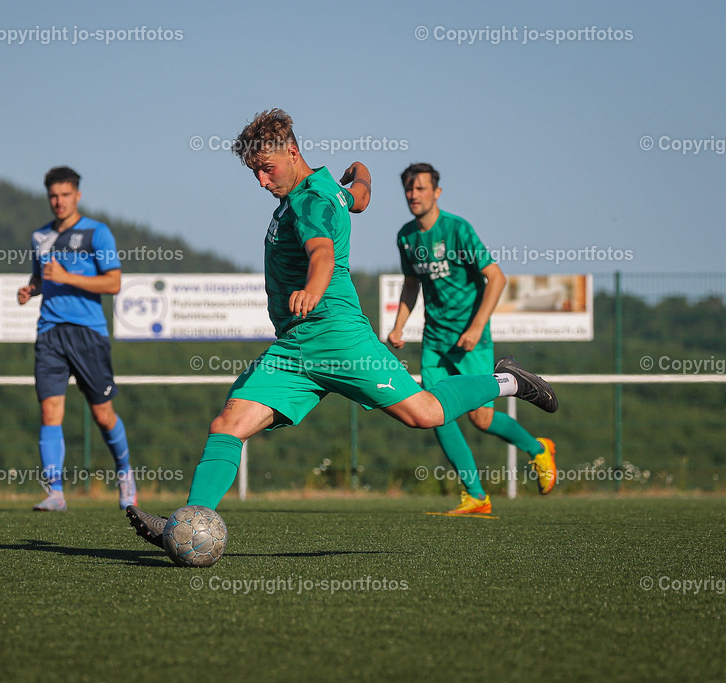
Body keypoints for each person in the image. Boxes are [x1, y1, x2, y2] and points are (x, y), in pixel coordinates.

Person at [126, 109, 558, 548]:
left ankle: (508, 380)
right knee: (226, 426)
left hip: (338, 337)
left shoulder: (310, 201)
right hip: (294, 348)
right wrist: (362, 174)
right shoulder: (328, 189)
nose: (260, 180)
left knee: (425, 414)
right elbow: (362, 198)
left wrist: (314, 288)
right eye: (254, 171)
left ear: (292, 152)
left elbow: (322, 254)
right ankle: (188, 522)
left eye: (266, 168)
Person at [389, 163, 557, 515]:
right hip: (435, 341)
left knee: (481, 419)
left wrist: (477, 326)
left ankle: (538, 449)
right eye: (408, 189)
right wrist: (398, 326)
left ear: (436, 192)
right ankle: (476, 495)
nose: (413, 195)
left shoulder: (457, 230)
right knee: (435, 412)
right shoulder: (406, 237)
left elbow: (496, 278)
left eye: (420, 188)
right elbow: (411, 284)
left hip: (471, 338)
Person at [17, 166, 136, 511]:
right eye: (53, 195)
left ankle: (126, 475)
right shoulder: (40, 236)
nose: (58, 201)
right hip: (49, 334)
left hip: (88, 334)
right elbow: (41, 277)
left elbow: (113, 283)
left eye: (65, 195)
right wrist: (31, 289)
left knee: (102, 414)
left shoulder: (97, 233)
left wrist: (68, 277)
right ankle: (55, 492)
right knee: (50, 411)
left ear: (77, 196)